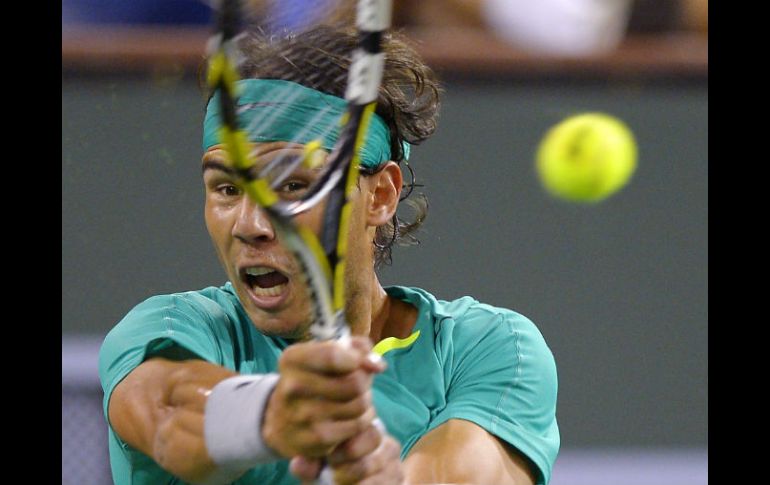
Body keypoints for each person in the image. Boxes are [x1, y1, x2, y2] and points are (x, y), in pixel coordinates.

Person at [99, 23, 560, 485]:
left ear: (381, 195)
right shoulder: (170, 330)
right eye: (227, 189)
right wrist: (273, 414)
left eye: (294, 185)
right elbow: (168, 414)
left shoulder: (488, 348)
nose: (250, 225)